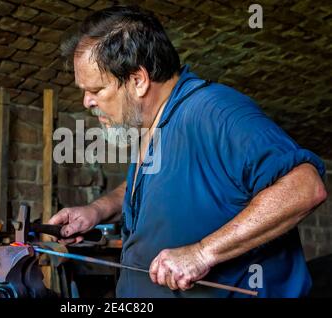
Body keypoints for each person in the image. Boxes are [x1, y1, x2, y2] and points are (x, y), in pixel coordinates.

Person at [48, 5, 327, 297]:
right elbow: (145, 186)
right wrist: (97, 210)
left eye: (96, 89)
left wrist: (202, 253)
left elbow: (304, 187)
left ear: (138, 80)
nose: (86, 101)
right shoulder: (155, 124)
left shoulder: (213, 111)